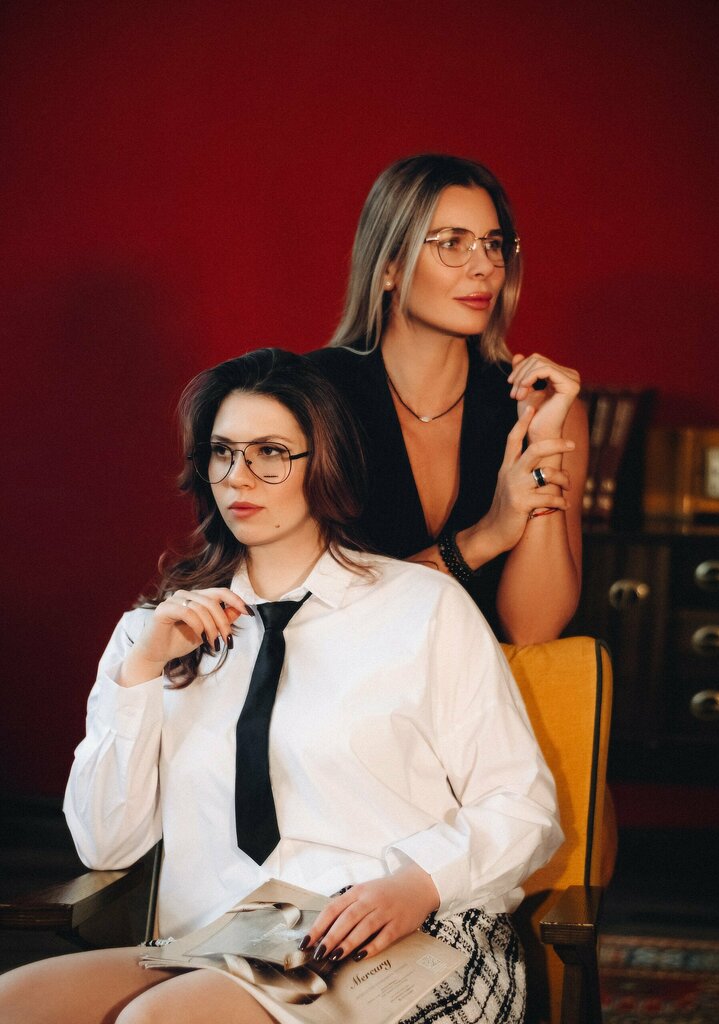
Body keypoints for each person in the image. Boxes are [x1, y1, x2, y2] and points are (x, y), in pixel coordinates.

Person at [0, 349, 562, 1024]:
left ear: (325, 462)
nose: (239, 477)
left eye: (270, 453)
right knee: (14, 1005)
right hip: (223, 944)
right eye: (222, 452)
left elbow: (523, 805)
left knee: (155, 1021)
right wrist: (140, 673)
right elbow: (104, 845)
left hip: (403, 931)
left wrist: (418, 884)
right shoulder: (153, 635)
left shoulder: (424, 607)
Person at [308, 153, 589, 644]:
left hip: (482, 685)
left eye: (494, 244)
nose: (485, 267)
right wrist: (484, 538)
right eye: (452, 243)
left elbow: (533, 630)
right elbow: (311, 612)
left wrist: (542, 447)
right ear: (390, 266)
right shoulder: (308, 399)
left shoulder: (541, 407)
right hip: (342, 684)